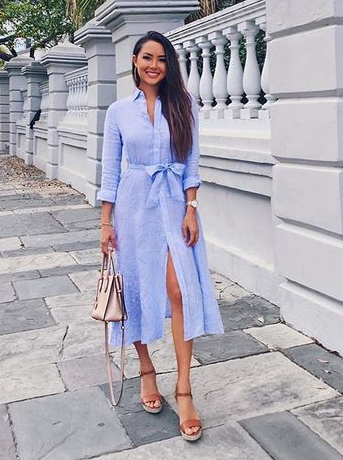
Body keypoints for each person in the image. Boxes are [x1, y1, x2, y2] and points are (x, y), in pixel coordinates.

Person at [98, 31, 224, 443]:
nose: (155, 65)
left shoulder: (183, 104)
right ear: (134, 61)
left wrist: (192, 208)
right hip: (134, 207)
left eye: (162, 59)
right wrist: (106, 223)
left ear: (168, 65)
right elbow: (111, 170)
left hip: (174, 203)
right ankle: (146, 370)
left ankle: (184, 388)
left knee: (178, 290)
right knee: (135, 289)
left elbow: (190, 161)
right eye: (147, 57)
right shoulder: (118, 111)